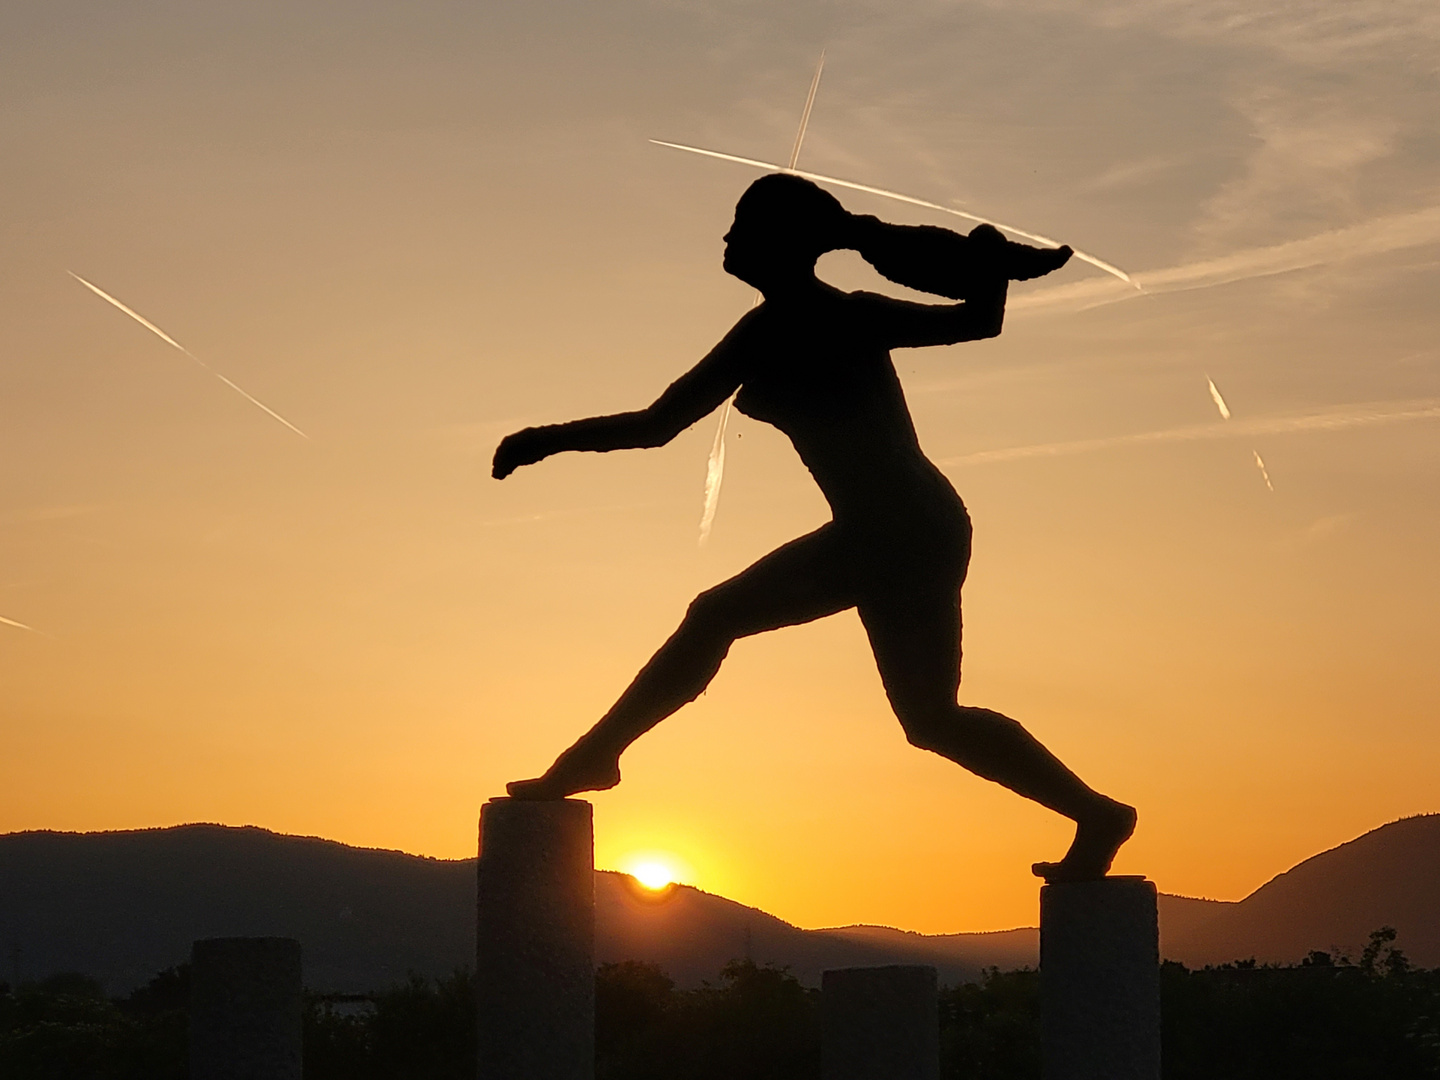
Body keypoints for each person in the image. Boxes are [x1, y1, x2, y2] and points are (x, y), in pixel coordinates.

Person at [492, 174, 1135, 882]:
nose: (728, 240)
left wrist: (986, 266)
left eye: (741, 227)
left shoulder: (828, 319)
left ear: (780, 245)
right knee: (925, 717)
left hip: (902, 531)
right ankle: (1097, 814)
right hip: (894, 527)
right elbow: (659, 425)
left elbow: (976, 321)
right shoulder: (775, 330)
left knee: (731, 622)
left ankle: (595, 756)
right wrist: (547, 440)